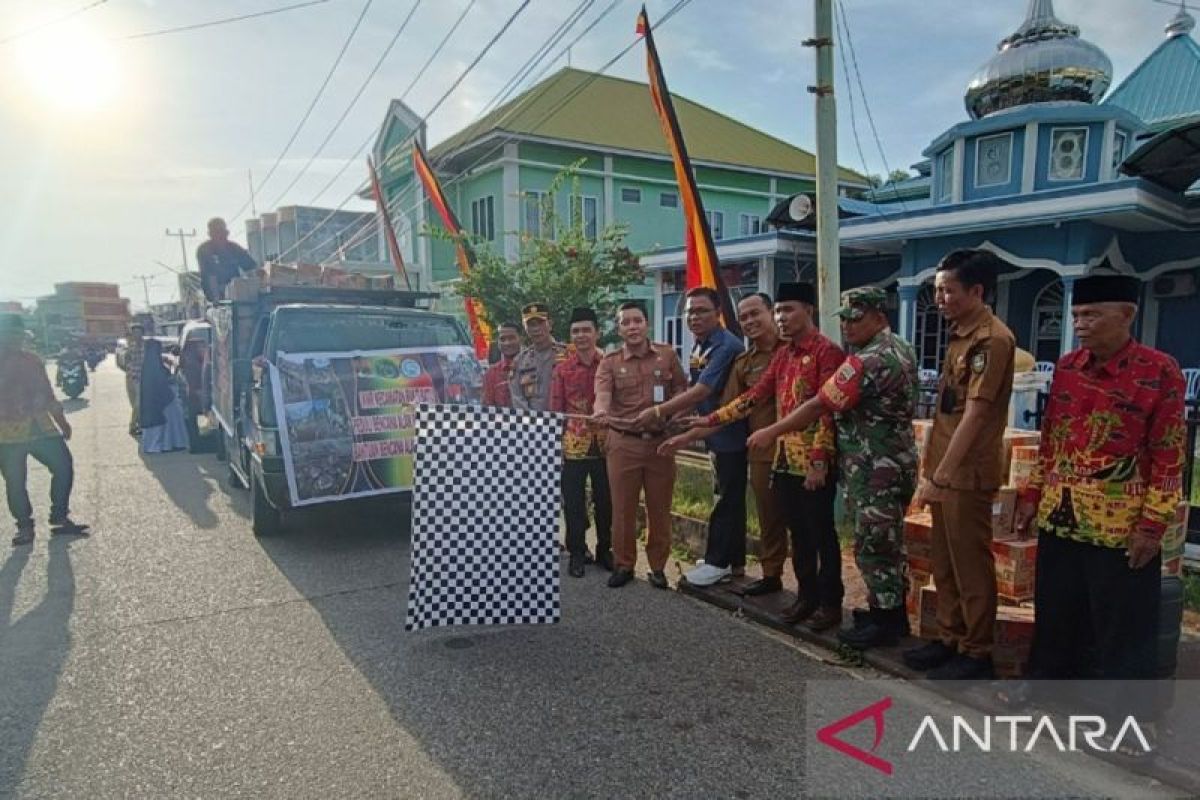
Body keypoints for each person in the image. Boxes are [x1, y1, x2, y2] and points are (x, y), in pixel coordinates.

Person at [1014, 274, 1184, 721]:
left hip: (1119, 524)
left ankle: (1132, 718)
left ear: (1126, 315)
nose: (1080, 324)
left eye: (1091, 315)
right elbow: (1050, 436)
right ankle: (1048, 687)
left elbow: (1169, 453)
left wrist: (1152, 526)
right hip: (1062, 514)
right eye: (1075, 316)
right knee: (1056, 611)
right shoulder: (1068, 366)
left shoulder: (1159, 371)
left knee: (1125, 626)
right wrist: (1032, 494)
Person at [749, 286, 919, 649]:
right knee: (882, 542)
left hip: (876, 468)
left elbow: (819, 405)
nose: (849, 327)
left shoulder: (869, 359)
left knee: (874, 544)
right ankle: (884, 611)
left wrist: (772, 430)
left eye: (856, 319)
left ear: (879, 315)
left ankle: (887, 622)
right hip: (884, 462)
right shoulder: (899, 347)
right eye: (845, 319)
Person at [667, 284, 844, 628]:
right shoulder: (785, 355)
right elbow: (751, 398)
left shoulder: (827, 352)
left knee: (821, 533)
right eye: (778, 311)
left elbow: (827, 411)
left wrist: (820, 461)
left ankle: (831, 605)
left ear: (809, 310)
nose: (781, 318)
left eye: (787, 310)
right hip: (783, 457)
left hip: (813, 461)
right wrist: (709, 419)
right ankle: (806, 598)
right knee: (798, 533)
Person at [905, 250, 1015, 680]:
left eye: (949, 290)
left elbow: (976, 414)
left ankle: (977, 649)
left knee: (970, 563)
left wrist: (943, 474)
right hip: (944, 467)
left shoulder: (992, 339)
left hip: (966, 472)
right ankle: (949, 638)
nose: (941, 299)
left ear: (977, 291)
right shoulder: (960, 333)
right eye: (937, 290)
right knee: (944, 560)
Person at [645, 286, 746, 587]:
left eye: (702, 310)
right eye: (690, 312)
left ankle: (718, 562)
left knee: (727, 500)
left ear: (718, 314)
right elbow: (695, 390)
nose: (694, 317)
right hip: (712, 433)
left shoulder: (726, 345)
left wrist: (659, 412)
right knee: (726, 495)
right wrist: (677, 416)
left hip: (730, 432)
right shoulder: (700, 345)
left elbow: (703, 390)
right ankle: (733, 560)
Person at [592, 302, 687, 589]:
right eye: (626, 322)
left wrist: (677, 416)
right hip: (623, 444)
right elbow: (603, 395)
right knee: (623, 508)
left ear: (647, 324)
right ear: (618, 328)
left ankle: (658, 567)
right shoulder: (609, 361)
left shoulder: (667, 355)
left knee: (659, 508)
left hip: (660, 443)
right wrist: (600, 411)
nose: (632, 327)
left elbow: (682, 389)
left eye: (637, 321)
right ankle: (624, 564)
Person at [0, 315, 88, 546]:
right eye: (11, 335)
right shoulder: (26, 360)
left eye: (18, 335)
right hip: (9, 432)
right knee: (16, 480)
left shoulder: (31, 360)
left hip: (38, 427)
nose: (15, 340)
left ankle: (55, 517)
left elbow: (47, 394)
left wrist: (62, 422)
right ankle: (26, 526)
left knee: (62, 466)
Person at [550, 307, 613, 577]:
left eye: (586, 330)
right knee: (574, 502)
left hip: (606, 443)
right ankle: (577, 552)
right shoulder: (562, 369)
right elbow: (556, 408)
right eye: (576, 331)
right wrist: (555, 445)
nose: (581, 335)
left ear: (597, 332)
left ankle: (605, 550)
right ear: (570, 335)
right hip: (573, 444)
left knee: (606, 500)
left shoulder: (610, 364)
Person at [509, 302, 566, 412]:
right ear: (525, 328)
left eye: (540, 323)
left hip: (564, 421)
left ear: (550, 324)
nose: (536, 329)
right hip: (532, 424)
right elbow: (517, 398)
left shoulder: (567, 355)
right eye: (530, 325)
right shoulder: (519, 361)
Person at [139, 339, 189, 454]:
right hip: (161, 401)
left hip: (159, 401)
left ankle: (170, 444)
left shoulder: (150, 363)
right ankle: (168, 444)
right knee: (169, 422)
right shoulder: (153, 365)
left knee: (170, 421)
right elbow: (160, 383)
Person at [197, 216, 258, 303]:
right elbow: (210, 276)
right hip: (216, 297)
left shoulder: (234, 248)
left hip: (236, 294)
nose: (222, 236)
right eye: (218, 233)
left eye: (224, 233)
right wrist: (216, 299)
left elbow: (251, 267)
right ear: (210, 234)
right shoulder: (204, 250)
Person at [482, 322, 522, 407]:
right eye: (502, 339)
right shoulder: (491, 373)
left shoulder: (532, 367)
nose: (507, 343)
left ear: (521, 339)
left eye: (511, 338)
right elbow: (487, 407)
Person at [120, 323, 146, 435]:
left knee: (139, 403)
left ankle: (133, 425)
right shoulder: (129, 346)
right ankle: (138, 425)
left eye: (138, 332)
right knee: (135, 403)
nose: (137, 335)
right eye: (134, 332)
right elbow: (125, 362)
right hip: (132, 378)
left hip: (143, 378)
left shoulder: (146, 346)